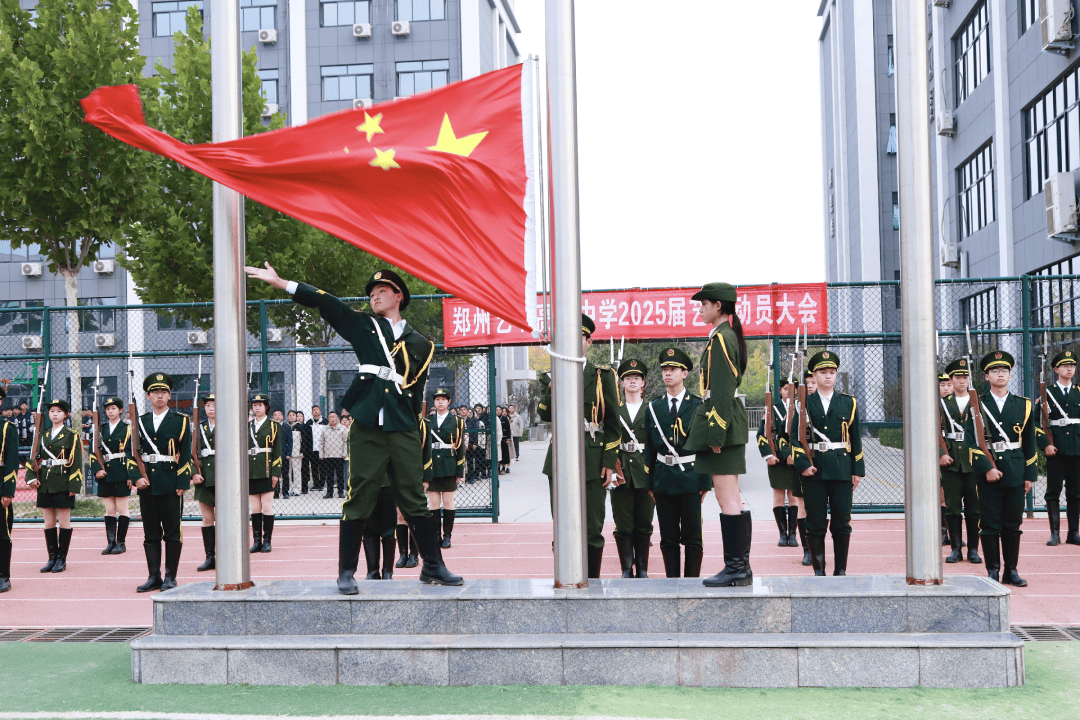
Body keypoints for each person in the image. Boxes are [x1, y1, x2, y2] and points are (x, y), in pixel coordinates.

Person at [245, 262, 461, 593]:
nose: (374, 297)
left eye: (381, 292)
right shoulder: (365, 327)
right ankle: (346, 571)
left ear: (398, 296)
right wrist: (282, 284)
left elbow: (414, 393)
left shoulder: (421, 344)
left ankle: (432, 565)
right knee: (358, 496)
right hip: (368, 427)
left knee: (415, 498)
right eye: (371, 294)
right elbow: (326, 301)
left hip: (402, 428)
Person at [538, 314, 620, 577]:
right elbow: (543, 415)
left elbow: (613, 424)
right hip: (560, 456)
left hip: (593, 458)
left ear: (589, 342)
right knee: (562, 524)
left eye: (580, 338)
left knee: (592, 526)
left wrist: (609, 463)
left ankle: (592, 581)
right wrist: (552, 388)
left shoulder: (602, 376)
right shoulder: (551, 375)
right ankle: (565, 577)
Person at [686, 283, 752, 587]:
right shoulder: (725, 336)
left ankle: (736, 568)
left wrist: (715, 432)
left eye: (704, 304)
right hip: (727, 423)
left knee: (727, 496)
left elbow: (723, 391)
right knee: (734, 497)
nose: (700, 309)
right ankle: (740, 567)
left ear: (718, 307)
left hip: (722, 424)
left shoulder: (722, 339)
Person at [965, 351, 1036, 586]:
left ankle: (1011, 570)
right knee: (989, 524)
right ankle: (993, 570)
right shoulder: (977, 405)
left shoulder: (1023, 405)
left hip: (1015, 471)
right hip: (988, 475)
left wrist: (1029, 475)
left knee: (1013, 525)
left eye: (1004, 370)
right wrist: (986, 467)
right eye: (995, 371)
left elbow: (1030, 443)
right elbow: (970, 441)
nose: (1001, 374)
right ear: (986, 376)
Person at [790, 351, 865, 577]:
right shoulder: (803, 404)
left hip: (842, 470)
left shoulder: (848, 402)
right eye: (823, 373)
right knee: (815, 522)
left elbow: (856, 438)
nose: (828, 377)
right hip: (814, 470)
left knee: (842, 521)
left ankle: (840, 571)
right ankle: (819, 571)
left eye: (832, 372)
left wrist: (857, 471)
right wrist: (803, 464)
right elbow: (795, 437)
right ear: (814, 375)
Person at [642, 348, 710, 578]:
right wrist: (650, 482)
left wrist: (705, 481)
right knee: (668, 538)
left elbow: (705, 447)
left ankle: (691, 583)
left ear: (685, 374)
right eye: (665, 370)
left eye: (673, 369)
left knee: (693, 537)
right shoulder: (653, 407)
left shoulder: (698, 405)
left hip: (691, 478)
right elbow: (649, 447)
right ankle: (672, 583)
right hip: (663, 479)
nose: (668, 374)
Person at [133, 373, 192, 592]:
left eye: (164, 392)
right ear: (148, 396)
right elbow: (132, 454)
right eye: (155, 392)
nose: (160, 396)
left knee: (172, 532)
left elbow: (185, 454)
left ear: (169, 395)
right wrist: (136, 477)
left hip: (170, 482)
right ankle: (153, 576)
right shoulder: (139, 422)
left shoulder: (181, 421)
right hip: (147, 482)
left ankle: (170, 577)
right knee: (150, 533)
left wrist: (183, 481)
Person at [25, 399, 82, 574]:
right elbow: (32, 457)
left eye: (58, 411)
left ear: (65, 415)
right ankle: (51, 557)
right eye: (52, 411)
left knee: (64, 521)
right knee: (48, 521)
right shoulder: (41, 435)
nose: (54, 414)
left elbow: (77, 461)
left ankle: (61, 559)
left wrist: (74, 485)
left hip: (63, 481)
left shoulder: (72, 434)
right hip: (45, 482)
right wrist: (30, 477)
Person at [612, 358, 655, 578]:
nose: (632, 381)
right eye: (628, 378)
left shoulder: (652, 409)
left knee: (644, 524)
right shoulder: (614, 409)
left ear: (643, 383)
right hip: (621, 475)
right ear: (621, 383)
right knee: (623, 525)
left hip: (645, 472)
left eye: (636, 378)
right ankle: (627, 569)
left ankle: (643, 569)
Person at [1036, 349, 1080, 546]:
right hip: (1056, 449)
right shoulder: (1047, 393)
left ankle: (1073, 532)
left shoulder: (1079, 392)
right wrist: (1045, 444)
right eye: (1065, 366)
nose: (1069, 368)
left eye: (1072, 365)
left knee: (1076, 492)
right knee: (1053, 491)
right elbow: (1037, 424)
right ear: (1056, 369)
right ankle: (1055, 533)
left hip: (1077, 449)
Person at [939, 360, 981, 564]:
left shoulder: (978, 402)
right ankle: (956, 548)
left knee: (974, 509)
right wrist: (940, 453)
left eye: (965, 377)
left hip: (974, 463)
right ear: (951, 379)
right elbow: (934, 430)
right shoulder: (943, 404)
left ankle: (973, 549)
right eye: (958, 377)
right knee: (953, 508)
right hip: (952, 462)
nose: (962, 381)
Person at [758, 379, 801, 549]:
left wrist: (796, 456)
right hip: (776, 457)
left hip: (793, 457)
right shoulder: (771, 409)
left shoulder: (800, 408)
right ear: (780, 390)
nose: (789, 391)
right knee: (778, 496)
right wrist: (768, 455)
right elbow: (761, 434)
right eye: (786, 388)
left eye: (793, 388)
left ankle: (793, 534)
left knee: (793, 497)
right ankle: (782, 534)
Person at [89, 396, 134, 555]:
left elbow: (132, 453)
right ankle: (111, 542)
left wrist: (131, 474)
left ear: (120, 410)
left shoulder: (128, 428)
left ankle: (121, 543)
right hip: (105, 471)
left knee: (122, 508)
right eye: (108, 409)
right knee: (109, 509)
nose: (110, 411)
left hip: (122, 471)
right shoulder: (99, 429)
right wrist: (97, 469)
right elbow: (93, 452)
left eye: (113, 408)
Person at [427, 388, 466, 548]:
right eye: (437, 399)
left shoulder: (457, 421)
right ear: (434, 402)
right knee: (434, 503)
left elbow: (461, 447)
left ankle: (447, 536)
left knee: (449, 502)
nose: (440, 402)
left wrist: (459, 470)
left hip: (449, 465)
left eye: (443, 399)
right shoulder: (427, 421)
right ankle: (436, 535)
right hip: (432, 467)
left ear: (449, 402)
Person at [247, 393, 282, 554]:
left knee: (267, 506)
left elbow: (278, 451)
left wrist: (276, 473)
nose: (257, 408)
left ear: (266, 407)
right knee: (254, 508)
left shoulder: (274, 426)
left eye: (260, 405)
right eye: (254, 405)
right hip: (251, 471)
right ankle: (256, 541)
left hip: (267, 470)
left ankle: (267, 540)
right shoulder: (247, 426)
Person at [191, 394, 217, 571]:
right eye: (207, 405)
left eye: (214, 405)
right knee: (207, 518)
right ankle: (210, 556)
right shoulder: (198, 428)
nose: (211, 408)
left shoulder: (229, 426)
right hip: (204, 476)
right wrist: (194, 473)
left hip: (224, 478)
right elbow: (190, 452)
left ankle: (226, 555)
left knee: (225, 520)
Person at [0, 387, 23, 592]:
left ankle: (3, 576)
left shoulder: (7, 428)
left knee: (1, 533)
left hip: (0, 486)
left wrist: (7, 491)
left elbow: (12, 461)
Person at [321, 412, 349, 499]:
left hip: (339, 456)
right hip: (328, 456)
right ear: (328, 419)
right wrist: (321, 454)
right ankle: (329, 493)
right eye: (330, 417)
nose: (332, 418)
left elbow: (346, 442)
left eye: (334, 417)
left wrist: (345, 453)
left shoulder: (342, 429)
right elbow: (321, 442)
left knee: (340, 475)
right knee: (329, 475)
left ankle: (341, 492)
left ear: (337, 418)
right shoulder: (325, 429)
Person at [275, 409, 291, 499]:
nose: (277, 416)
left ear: (282, 417)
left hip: (284, 454)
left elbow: (290, 441)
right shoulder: (271, 426)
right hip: (274, 455)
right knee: (275, 474)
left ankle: (285, 492)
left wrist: (289, 453)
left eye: (279, 415)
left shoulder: (287, 427)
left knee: (285, 474)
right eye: (275, 415)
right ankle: (276, 493)